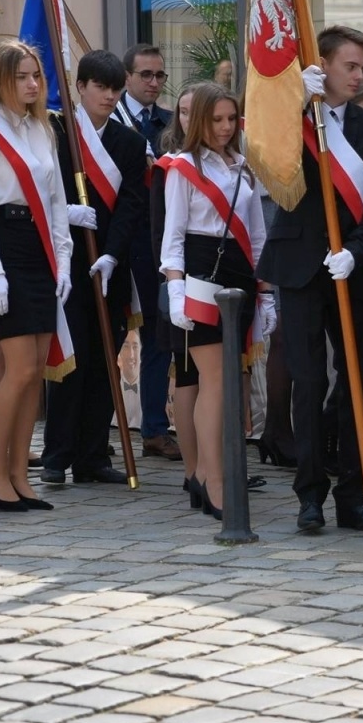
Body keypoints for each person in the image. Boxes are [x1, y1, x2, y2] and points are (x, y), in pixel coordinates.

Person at [258, 26, 363, 533]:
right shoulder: (293, 120)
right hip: (298, 264)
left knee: (356, 379)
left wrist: (357, 252)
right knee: (309, 379)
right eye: (349, 66)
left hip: (350, 268)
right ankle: (310, 494)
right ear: (324, 65)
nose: (358, 77)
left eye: (362, 68)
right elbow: (270, 165)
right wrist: (296, 105)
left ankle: (354, 496)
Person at [0, 40, 73, 512]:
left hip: (40, 248)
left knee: (37, 373)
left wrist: (63, 260)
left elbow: (56, 201)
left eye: (36, 76)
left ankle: (19, 474)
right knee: (20, 369)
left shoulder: (43, 128)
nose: (32, 84)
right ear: (2, 80)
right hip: (5, 246)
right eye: (22, 76)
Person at [160, 83, 269, 520]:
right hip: (201, 272)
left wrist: (267, 293)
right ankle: (212, 477)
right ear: (198, 120)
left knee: (227, 380)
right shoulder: (182, 167)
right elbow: (172, 238)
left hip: (240, 272)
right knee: (215, 379)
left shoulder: (244, 166)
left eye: (231, 119)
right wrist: (175, 291)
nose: (225, 128)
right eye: (216, 119)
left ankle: (209, 475)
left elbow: (257, 236)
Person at [43, 50, 151, 485]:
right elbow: (38, 191)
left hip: (110, 266)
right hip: (66, 264)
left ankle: (92, 457)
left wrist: (113, 252)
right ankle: (56, 456)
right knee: (72, 360)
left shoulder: (130, 143)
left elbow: (131, 205)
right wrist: (65, 213)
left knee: (106, 360)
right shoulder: (55, 134)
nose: (108, 96)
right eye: (100, 87)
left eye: (115, 89)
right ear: (80, 87)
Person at [113, 43, 180, 461]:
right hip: (118, 242)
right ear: (127, 78)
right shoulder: (109, 120)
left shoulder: (171, 123)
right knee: (109, 336)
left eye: (160, 75)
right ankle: (91, 434)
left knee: (158, 336)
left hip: (156, 242)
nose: (154, 83)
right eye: (146, 75)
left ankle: (154, 428)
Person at [154, 85, 206, 496]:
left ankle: (217, 465)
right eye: (183, 112)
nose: (189, 119)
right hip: (185, 280)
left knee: (222, 378)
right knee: (188, 373)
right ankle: (194, 471)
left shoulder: (230, 162)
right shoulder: (170, 166)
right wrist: (175, 287)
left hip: (223, 281)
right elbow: (164, 233)